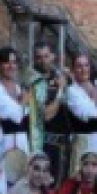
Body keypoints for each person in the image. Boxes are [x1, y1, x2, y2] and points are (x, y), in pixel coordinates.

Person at [65, 53, 97, 185]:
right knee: (82, 179)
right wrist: (95, 97)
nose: (84, 69)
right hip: (83, 141)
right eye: (79, 66)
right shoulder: (72, 91)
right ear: (73, 70)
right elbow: (89, 117)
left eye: (86, 65)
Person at [30, 41, 70, 184]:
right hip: (44, 143)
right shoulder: (33, 82)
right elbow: (46, 115)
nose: (43, 61)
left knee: (63, 187)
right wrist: (60, 90)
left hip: (65, 143)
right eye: (39, 57)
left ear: (53, 57)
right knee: (46, 187)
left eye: (46, 56)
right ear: (34, 59)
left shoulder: (61, 76)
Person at [0, 47, 30, 156]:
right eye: (7, 62)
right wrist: (24, 101)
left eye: (14, 63)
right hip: (3, 143)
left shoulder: (18, 88)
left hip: (22, 142)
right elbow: (16, 116)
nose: (11, 66)